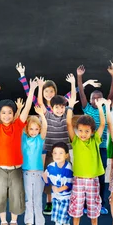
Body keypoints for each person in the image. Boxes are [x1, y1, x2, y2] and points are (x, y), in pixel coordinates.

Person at [0, 79, 34, 225]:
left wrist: (31, 89)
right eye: (3, 113)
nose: (6, 115)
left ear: (14, 114)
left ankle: (13, 222)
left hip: (16, 168)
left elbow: (26, 109)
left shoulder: (18, 125)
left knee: (16, 196)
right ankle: (3, 223)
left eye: (9, 113)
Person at [76, 58, 113, 215]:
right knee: (87, 176)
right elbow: (81, 92)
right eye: (94, 97)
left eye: (99, 97)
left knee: (100, 176)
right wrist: (79, 76)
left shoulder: (106, 108)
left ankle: (99, 202)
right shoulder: (87, 107)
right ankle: (86, 203)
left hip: (100, 147)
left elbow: (112, 93)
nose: (96, 99)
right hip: (87, 148)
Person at [66, 94, 107, 225]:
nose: (83, 134)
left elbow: (102, 124)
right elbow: (69, 124)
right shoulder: (75, 140)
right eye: (81, 131)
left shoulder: (95, 140)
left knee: (93, 204)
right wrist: (70, 106)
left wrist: (102, 107)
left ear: (92, 132)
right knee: (76, 205)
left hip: (92, 180)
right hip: (78, 180)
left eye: (86, 131)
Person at [35, 76, 71, 217]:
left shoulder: (66, 113)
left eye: (62, 107)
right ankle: (49, 202)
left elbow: (70, 103)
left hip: (64, 154)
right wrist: (39, 87)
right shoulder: (48, 114)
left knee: (65, 177)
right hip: (50, 152)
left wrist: (74, 83)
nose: (60, 109)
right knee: (50, 178)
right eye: (57, 107)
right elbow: (40, 102)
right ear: (52, 107)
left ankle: (64, 200)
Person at [22, 105, 48, 225]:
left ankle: (40, 222)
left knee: (38, 198)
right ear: (27, 129)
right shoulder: (24, 139)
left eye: (36, 129)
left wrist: (42, 115)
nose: (33, 131)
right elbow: (19, 123)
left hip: (38, 173)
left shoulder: (40, 139)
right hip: (26, 172)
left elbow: (45, 128)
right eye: (31, 129)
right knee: (28, 198)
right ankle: (29, 221)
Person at [43, 142, 73, 225]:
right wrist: (48, 182)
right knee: (56, 211)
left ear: (66, 155)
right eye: (55, 153)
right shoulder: (50, 166)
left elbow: (69, 184)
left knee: (64, 212)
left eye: (61, 153)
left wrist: (59, 189)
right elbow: (46, 178)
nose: (57, 155)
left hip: (66, 196)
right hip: (55, 195)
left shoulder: (68, 168)